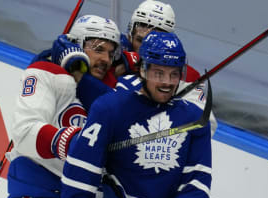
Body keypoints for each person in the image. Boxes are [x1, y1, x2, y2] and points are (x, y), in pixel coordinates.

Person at [61, 31, 212, 198]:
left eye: (174, 74)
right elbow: (79, 178)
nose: (167, 82)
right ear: (142, 70)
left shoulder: (194, 119)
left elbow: (196, 187)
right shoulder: (109, 109)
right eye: (159, 73)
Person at [5, 15, 120, 198]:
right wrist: (69, 141)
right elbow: (25, 132)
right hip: (42, 193)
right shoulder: (45, 72)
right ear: (75, 44)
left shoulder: (115, 90)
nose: (106, 59)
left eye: (111, 53)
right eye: (99, 49)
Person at [75, 0, 218, 136]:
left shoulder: (183, 75)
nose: (146, 49)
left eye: (155, 42)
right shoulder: (111, 58)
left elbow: (206, 125)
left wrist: (163, 113)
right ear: (130, 35)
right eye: (140, 40)